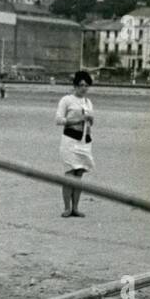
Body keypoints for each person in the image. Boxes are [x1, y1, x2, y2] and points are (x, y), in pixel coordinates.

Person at [55, 70, 95, 218]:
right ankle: (67, 208)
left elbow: (91, 122)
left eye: (86, 85)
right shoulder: (67, 100)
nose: (84, 88)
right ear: (75, 85)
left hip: (84, 141)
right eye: (81, 85)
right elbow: (58, 120)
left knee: (79, 175)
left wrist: (90, 119)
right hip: (70, 140)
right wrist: (78, 120)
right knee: (69, 174)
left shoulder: (88, 102)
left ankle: (76, 208)